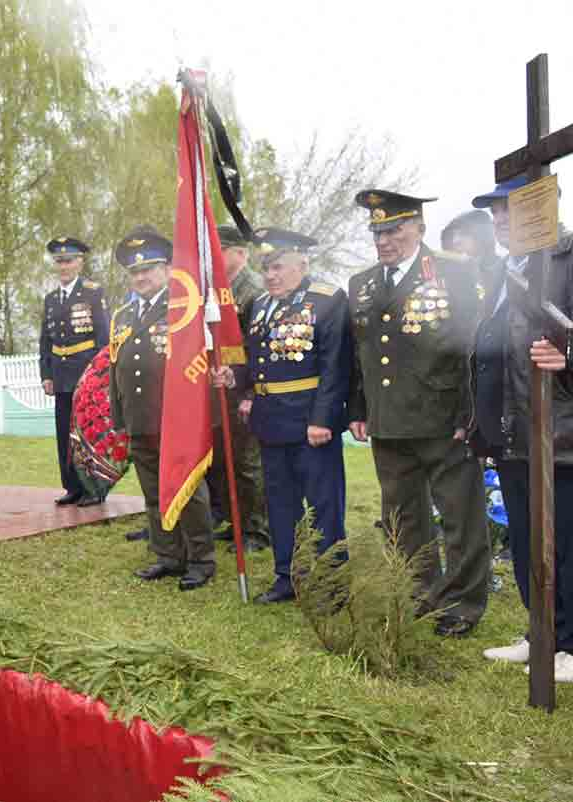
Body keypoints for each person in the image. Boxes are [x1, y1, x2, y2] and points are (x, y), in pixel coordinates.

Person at [347, 189, 489, 638]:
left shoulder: (454, 273)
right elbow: (361, 354)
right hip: (389, 419)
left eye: (395, 229)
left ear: (419, 228)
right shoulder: (363, 283)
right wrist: (359, 407)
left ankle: (463, 601)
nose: (384, 239)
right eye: (377, 231)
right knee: (402, 514)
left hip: (443, 415)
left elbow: (472, 346)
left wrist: (470, 414)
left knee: (458, 514)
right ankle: (418, 590)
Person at [470, 177, 573, 682]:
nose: (501, 225)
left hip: (563, 434)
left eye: (511, 213)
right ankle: (540, 635)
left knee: (566, 541)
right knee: (528, 540)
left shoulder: (569, 258)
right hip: (515, 435)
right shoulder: (502, 272)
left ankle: (570, 644)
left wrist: (568, 355)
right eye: (496, 218)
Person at [212, 228, 350, 603]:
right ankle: (287, 576)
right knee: (281, 505)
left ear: (302, 264)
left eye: (278, 267)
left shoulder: (327, 300)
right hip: (270, 423)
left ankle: (333, 583)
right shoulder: (259, 305)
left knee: (324, 506)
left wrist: (323, 419)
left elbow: (336, 367)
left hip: (311, 424)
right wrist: (235, 377)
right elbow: (254, 360)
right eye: (265, 268)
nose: (270, 275)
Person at [110, 226, 215, 590]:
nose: (141, 277)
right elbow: (115, 368)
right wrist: (119, 417)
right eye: (135, 272)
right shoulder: (122, 314)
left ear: (168, 269)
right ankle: (168, 555)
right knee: (153, 493)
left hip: (175, 420)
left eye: (149, 269)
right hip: (140, 418)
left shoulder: (182, 308)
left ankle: (201, 559)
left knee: (188, 491)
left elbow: (197, 365)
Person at [206, 225, 270, 553]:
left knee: (247, 461)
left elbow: (256, 345)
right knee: (224, 457)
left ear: (240, 254)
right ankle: (236, 521)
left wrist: (249, 393)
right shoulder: (216, 288)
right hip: (220, 384)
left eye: (221, 251)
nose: (214, 258)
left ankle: (257, 530)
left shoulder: (254, 288)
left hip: (245, 386)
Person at [39, 236, 108, 506]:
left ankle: (93, 488)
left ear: (80, 262)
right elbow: (45, 340)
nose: (64, 266)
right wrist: (46, 374)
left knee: (87, 432)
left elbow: (103, 336)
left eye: (69, 261)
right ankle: (72, 487)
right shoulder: (51, 299)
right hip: (60, 374)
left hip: (86, 372)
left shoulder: (93, 292)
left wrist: (100, 375)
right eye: (59, 262)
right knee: (64, 434)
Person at [441, 209, 502, 315]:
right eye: (453, 235)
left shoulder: (505, 272)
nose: (456, 241)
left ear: (482, 235)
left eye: (464, 234)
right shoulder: (445, 278)